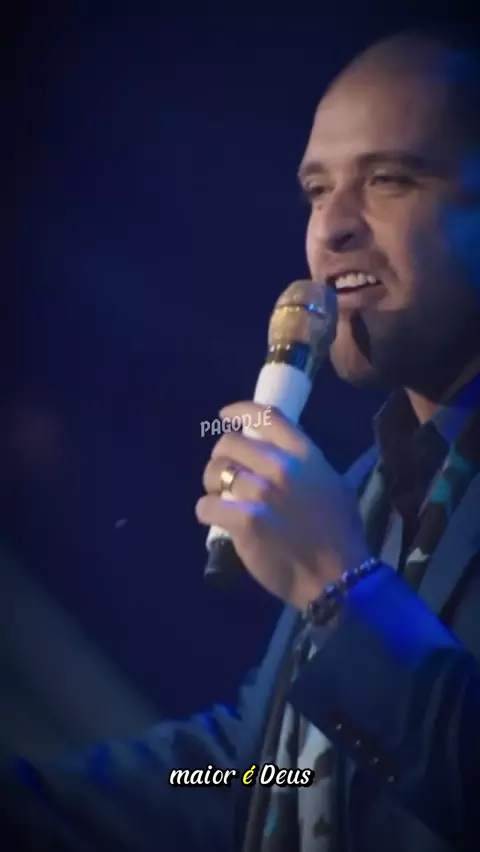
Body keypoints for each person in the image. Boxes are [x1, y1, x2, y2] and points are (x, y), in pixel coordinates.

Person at [2, 26, 480, 852]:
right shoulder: (369, 489)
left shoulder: (340, 541)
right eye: (316, 190)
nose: (331, 228)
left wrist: (341, 589)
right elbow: (262, 772)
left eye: (390, 179)